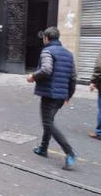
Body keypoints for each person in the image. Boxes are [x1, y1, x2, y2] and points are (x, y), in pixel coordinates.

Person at [26, 26, 77, 170]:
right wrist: (69, 95)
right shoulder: (68, 54)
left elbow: (47, 69)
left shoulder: (47, 51)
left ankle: (70, 153)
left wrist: (33, 76)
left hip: (49, 94)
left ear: (46, 38)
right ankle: (43, 148)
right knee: (49, 121)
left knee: (48, 124)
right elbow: (73, 77)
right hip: (61, 96)